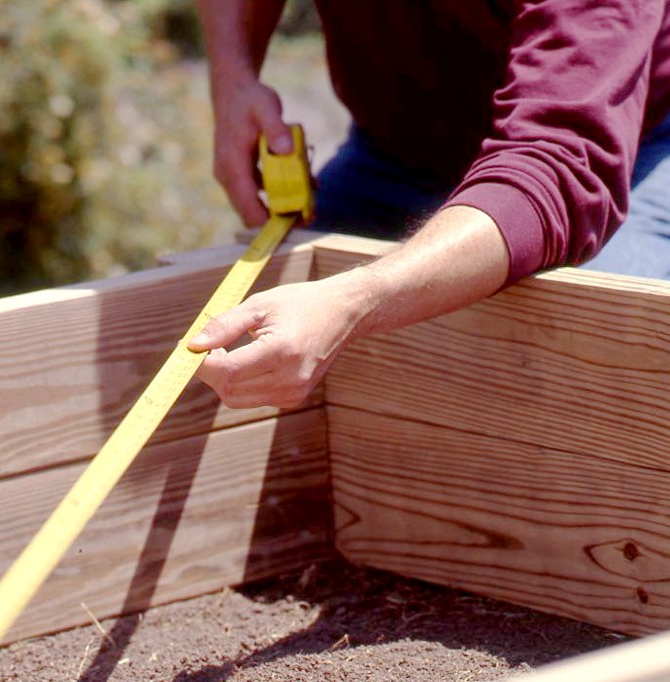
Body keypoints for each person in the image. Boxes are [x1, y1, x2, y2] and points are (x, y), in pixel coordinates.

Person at [188, 1, 670, 410]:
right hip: (398, 144)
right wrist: (233, 76)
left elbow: (557, 165)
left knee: (594, 358)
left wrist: (355, 301)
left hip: (622, 147)